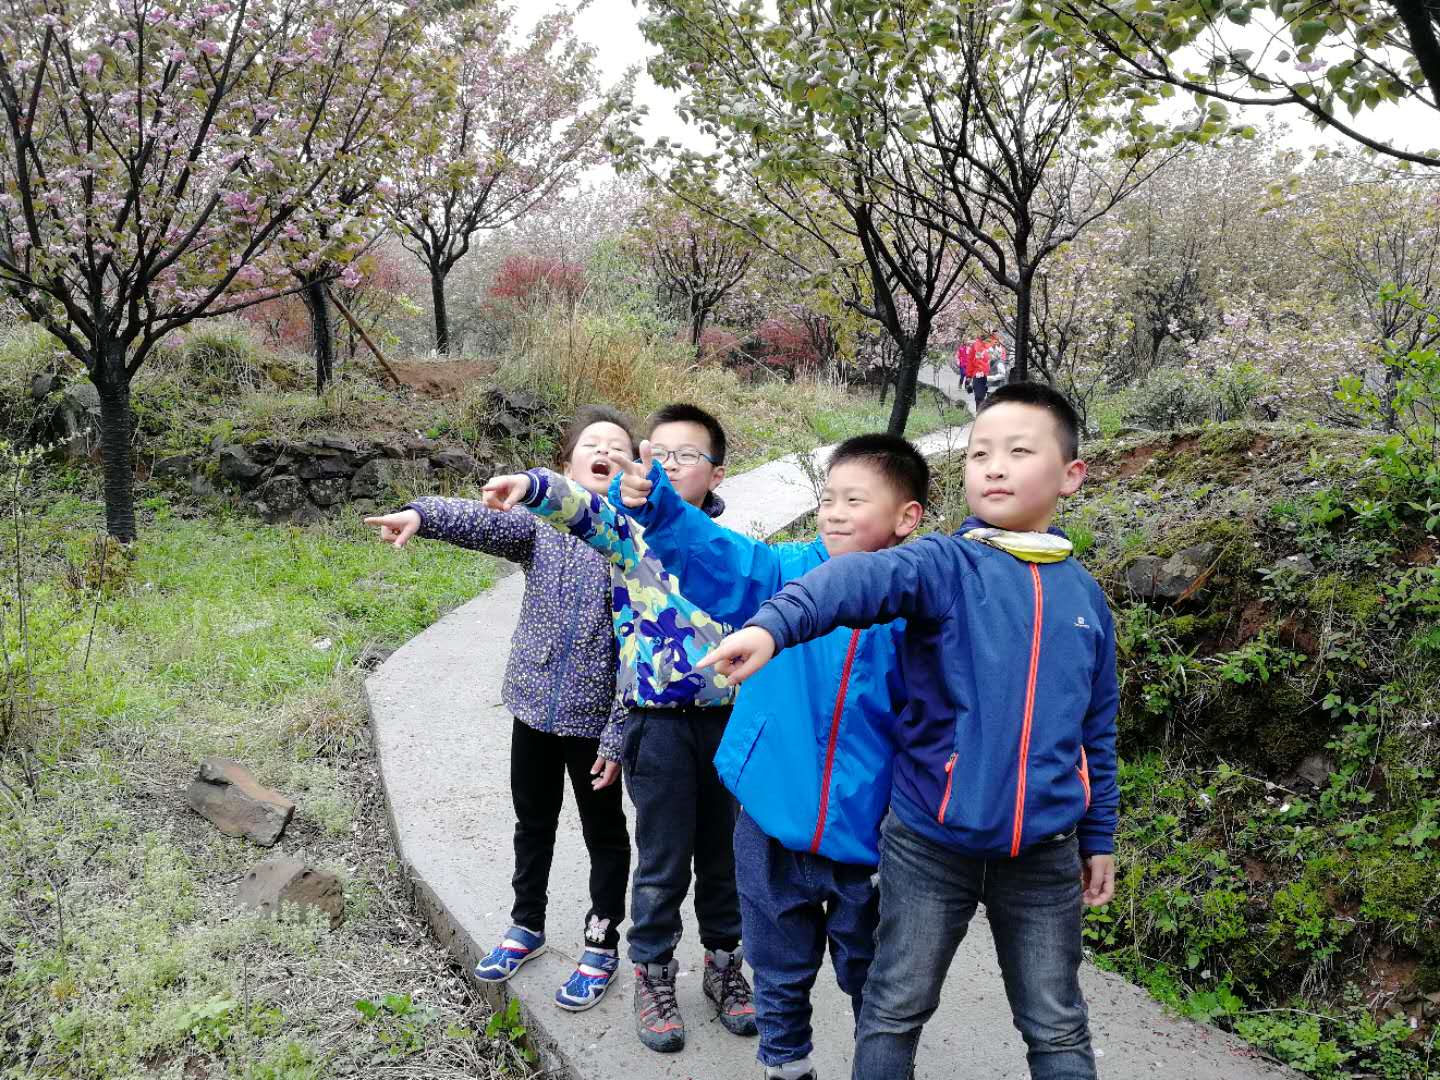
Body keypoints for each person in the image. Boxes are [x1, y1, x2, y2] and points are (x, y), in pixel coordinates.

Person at [700, 383, 1119, 1080]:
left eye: (1019, 451)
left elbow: (1095, 729)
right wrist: (773, 627)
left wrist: (1098, 834)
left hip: (1044, 854)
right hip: (930, 843)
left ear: (1070, 474)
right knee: (893, 1008)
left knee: (1057, 1023)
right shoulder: (941, 565)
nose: (994, 466)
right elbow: (851, 583)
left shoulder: (1087, 602)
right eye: (980, 452)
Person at [610, 433, 927, 1080]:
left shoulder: (920, 604)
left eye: (855, 500)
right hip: (770, 817)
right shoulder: (789, 573)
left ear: (907, 516)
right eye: (828, 498)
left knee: (874, 978)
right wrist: (660, 507)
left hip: (870, 837)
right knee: (778, 969)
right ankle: (784, 1066)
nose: (834, 513)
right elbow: (724, 559)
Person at [482, 403, 757, 1055]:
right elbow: (578, 512)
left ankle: (724, 964)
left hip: (724, 722)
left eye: (686, 455)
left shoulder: (737, 552)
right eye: (658, 453)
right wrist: (532, 485)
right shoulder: (627, 539)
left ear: (717, 473)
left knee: (723, 856)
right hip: (655, 725)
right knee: (660, 861)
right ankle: (652, 972)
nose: (669, 465)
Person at [363, 406, 636, 1012]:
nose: (603, 452)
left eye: (617, 447)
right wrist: (421, 515)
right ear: (564, 466)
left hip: (598, 725)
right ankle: (526, 925)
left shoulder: (636, 544)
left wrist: (620, 732)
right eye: (591, 444)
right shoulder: (539, 530)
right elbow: (481, 521)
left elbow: (643, 651)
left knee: (604, 834)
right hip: (533, 708)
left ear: (635, 467)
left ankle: (601, 942)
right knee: (532, 822)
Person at [965, 336, 992, 409]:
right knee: (979, 397)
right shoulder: (975, 345)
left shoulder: (993, 342)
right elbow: (970, 361)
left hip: (993, 374)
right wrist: (969, 375)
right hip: (979, 375)